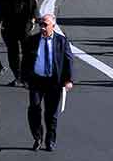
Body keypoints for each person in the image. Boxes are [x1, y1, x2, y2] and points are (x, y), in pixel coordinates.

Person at [20, 14, 74, 152]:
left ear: (53, 26)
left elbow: (68, 60)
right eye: (41, 25)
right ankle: (37, 138)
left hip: (53, 82)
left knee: (51, 114)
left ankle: (50, 140)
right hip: (36, 80)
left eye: (46, 25)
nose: (43, 28)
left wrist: (68, 80)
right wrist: (24, 78)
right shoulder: (32, 40)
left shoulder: (61, 41)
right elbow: (25, 60)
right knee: (34, 108)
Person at [0, 0, 39, 86]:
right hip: (9, 26)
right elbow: (0, 8)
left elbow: (34, 7)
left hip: (23, 26)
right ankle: (18, 76)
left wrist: (33, 21)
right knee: (12, 53)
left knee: (27, 52)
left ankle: (27, 77)